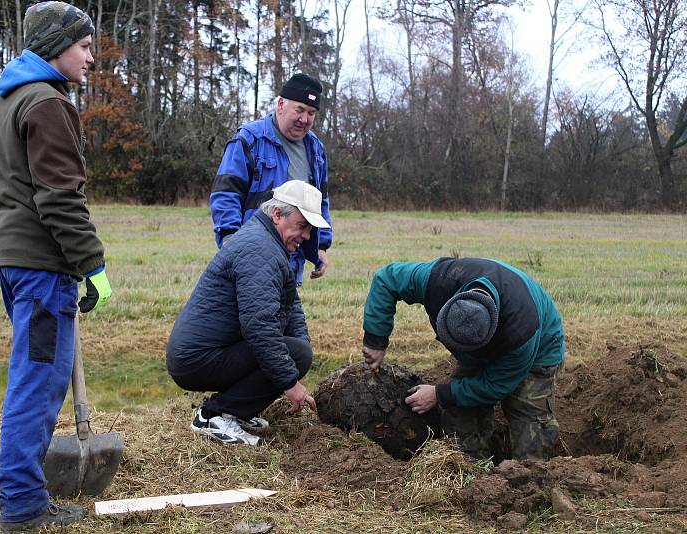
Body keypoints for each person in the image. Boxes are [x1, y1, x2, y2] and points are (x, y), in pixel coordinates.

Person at [0, 2, 112, 531]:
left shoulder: (10, 98)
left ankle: (22, 492)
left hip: (15, 259)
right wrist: (93, 265)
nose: (90, 56)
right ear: (57, 46)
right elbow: (60, 198)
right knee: (36, 384)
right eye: (84, 46)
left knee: (32, 377)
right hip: (40, 267)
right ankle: (22, 506)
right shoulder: (47, 103)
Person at [167, 180, 326, 446]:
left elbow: (291, 304)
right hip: (196, 359)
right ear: (277, 215)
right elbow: (259, 325)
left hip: (210, 350)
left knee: (297, 352)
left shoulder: (267, 243)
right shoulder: (259, 249)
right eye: (302, 226)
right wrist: (291, 381)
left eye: (309, 229)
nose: (307, 236)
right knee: (294, 355)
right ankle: (214, 415)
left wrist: (300, 354)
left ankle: (236, 410)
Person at [361, 258, 565, 461]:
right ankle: (471, 472)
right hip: (486, 337)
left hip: (540, 348)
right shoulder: (439, 280)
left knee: (529, 421)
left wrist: (439, 394)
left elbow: (495, 385)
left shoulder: (519, 332)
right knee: (460, 410)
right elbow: (386, 279)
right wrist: (375, 339)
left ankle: (530, 479)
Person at [209, 73, 333, 285]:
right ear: (281, 104)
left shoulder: (316, 150)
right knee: (255, 313)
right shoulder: (249, 139)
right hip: (251, 253)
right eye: (300, 110)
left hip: (293, 258)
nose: (304, 119)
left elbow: (320, 202)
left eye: (311, 113)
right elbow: (226, 193)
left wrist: (320, 246)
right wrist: (230, 239)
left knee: (283, 314)